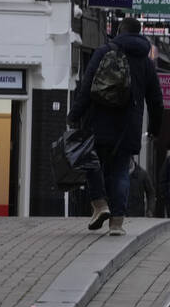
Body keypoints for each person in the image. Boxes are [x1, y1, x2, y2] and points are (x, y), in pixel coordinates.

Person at [68, 17, 163, 236]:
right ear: (140, 34)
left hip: (98, 121)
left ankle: (100, 205)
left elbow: (86, 85)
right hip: (128, 127)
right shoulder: (146, 62)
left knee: (91, 162)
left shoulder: (103, 52)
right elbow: (156, 100)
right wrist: (155, 129)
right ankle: (117, 223)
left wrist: (74, 115)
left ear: (119, 31)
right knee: (121, 171)